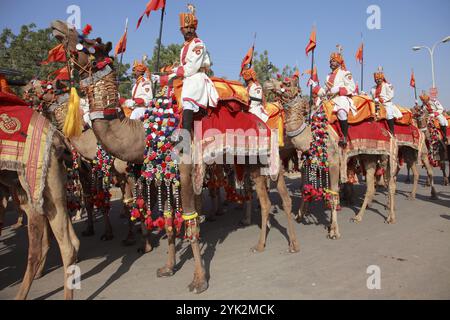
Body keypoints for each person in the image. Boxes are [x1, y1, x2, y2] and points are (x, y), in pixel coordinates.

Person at [153, 5, 219, 136]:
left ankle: (186, 140)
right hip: (187, 78)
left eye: (191, 28)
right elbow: (182, 70)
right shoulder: (184, 48)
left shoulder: (198, 44)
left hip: (196, 78)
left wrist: (173, 72)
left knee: (188, 101)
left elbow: (191, 68)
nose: (189, 30)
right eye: (186, 28)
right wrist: (162, 79)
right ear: (181, 30)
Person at [310, 45, 356, 147]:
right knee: (315, 113)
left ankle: (344, 136)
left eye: (333, 61)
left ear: (339, 62)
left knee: (341, 113)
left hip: (342, 98)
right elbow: (323, 92)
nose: (331, 62)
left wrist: (339, 89)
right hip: (330, 100)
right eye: (330, 61)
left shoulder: (345, 73)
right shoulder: (328, 76)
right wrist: (315, 87)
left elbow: (352, 87)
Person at [370, 67, 402, 135]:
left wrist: (383, 100)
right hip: (376, 104)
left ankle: (392, 132)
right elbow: (371, 97)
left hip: (386, 103)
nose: (377, 80)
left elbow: (391, 95)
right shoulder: (373, 88)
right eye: (376, 79)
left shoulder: (387, 85)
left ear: (382, 79)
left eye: (379, 79)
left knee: (389, 114)